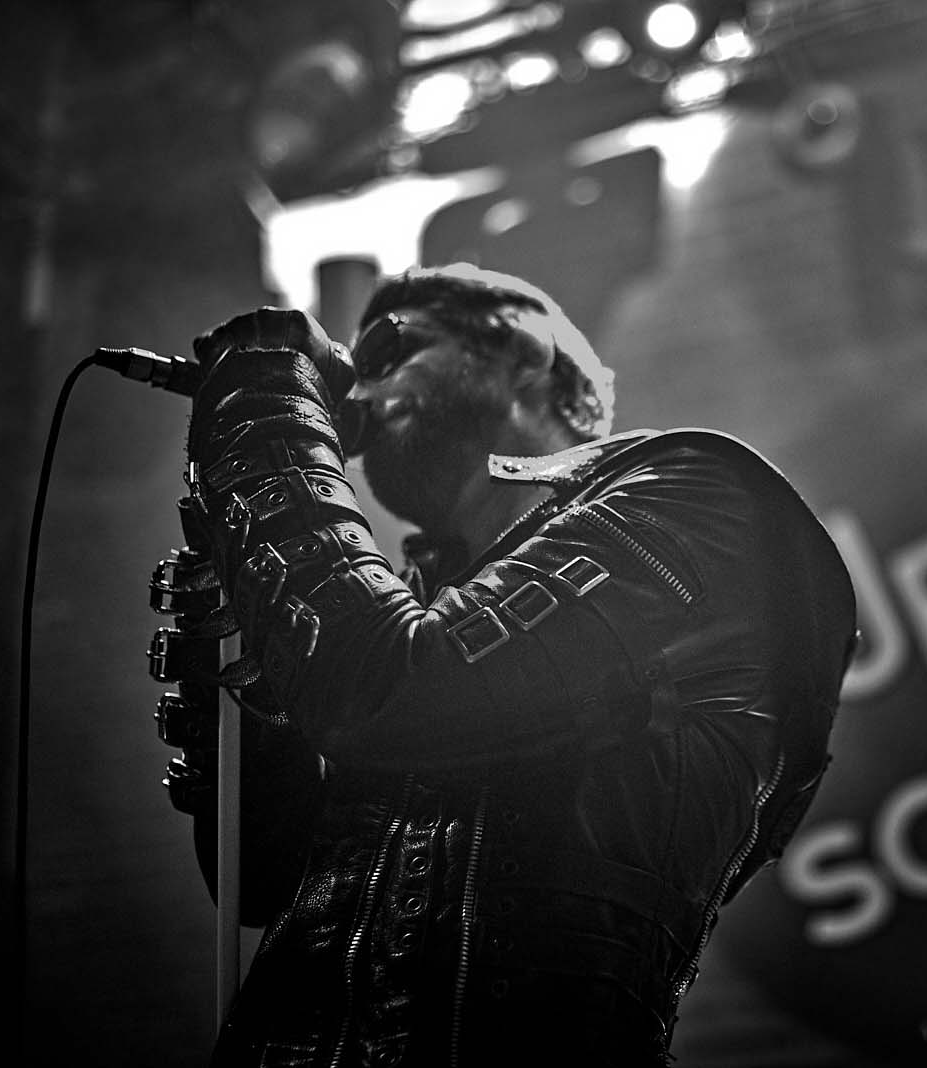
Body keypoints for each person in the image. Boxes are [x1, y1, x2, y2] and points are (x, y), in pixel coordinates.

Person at [173, 262, 857, 1066]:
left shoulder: (693, 493)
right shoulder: (408, 609)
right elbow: (262, 879)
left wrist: (266, 403)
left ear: (524, 350)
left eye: (392, 351)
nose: (360, 389)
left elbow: (394, 689)